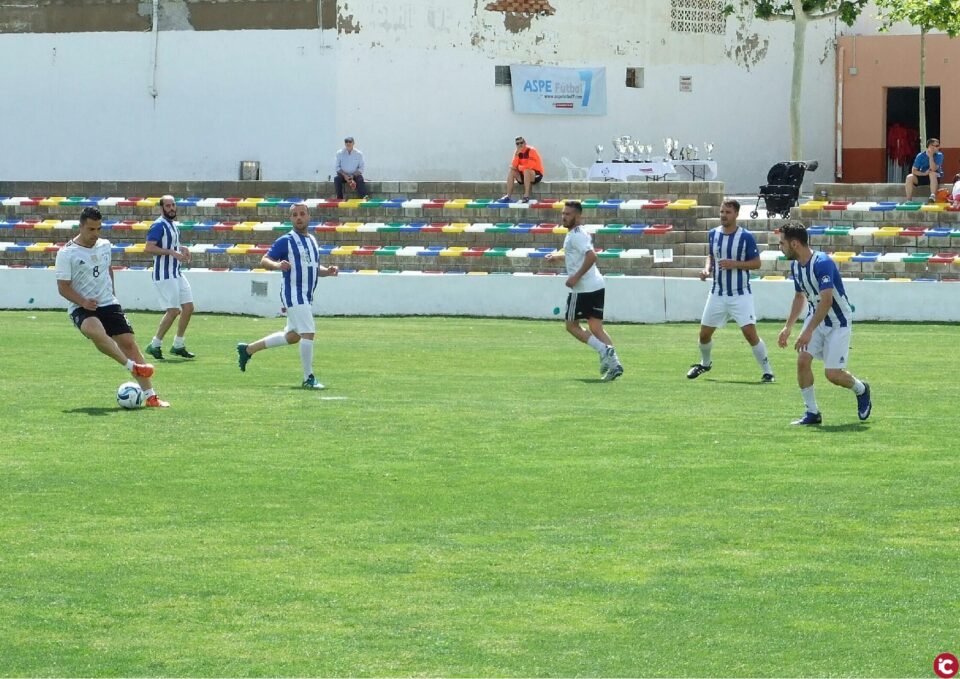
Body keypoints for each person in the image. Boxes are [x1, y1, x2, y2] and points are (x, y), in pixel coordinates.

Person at [55, 207, 169, 407]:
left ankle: (151, 397)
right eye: (91, 229)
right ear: (80, 226)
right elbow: (63, 288)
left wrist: (113, 295)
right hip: (82, 306)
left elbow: (108, 269)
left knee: (129, 343)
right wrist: (83, 301)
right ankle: (132, 367)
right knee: (95, 330)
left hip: (108, 302)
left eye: (98, 229)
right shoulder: (66, 253)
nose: (95, 234)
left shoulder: (105, 245)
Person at [777, 221, 871, 425]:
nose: (780, 247)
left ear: (794, 244)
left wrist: (807, 331)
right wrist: (788, 327)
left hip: (838, 320)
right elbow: (799, 297)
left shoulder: (822, 263)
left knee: (833, 374)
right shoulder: (795, 266)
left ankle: (861, 389)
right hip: (815, 316)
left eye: (781, 243)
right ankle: (812, 413)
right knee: (802, 361)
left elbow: (827, 301)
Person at [236, 202, 339, 389]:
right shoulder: (286, 240)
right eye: (294, 215)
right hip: (293, 293)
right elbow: (264, 260)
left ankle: (248, 349)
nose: (298, 217)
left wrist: (328, 271)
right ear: (290, 219)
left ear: (308, 217)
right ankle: (309, 378)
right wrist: (277, 265)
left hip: (306, 295)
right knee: (308, 332)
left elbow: (313, 268)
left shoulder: (312, 241)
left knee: (293, 336)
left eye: (302, 214)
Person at [686, 199, 774, 383]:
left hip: (740, 294)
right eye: (722, 212)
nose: (723, 215)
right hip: (717, 293)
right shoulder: (713, 234)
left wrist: (735, 264)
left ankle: (768, 372)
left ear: (736, 214)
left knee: (750, 334)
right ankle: (705, 363)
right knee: (704, 335)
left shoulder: (746, 237)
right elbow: (711, 256)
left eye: (728, 212)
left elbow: (756, 263)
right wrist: (707, 269)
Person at [544, 200, 623, 381]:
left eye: (568, 214)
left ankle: (604, 350)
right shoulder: (579, 233)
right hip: (597, 285)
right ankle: (614, 365)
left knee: (571, 326)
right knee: (596, 328)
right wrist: (558, 257)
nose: (564, 217)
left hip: (583, 289)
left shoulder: (576, 235)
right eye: (563, 213)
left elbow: (591, 256)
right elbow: (578, 254)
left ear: (578, 216)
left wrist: (575, 277)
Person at [143, 195, 196, 360]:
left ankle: (178, 344)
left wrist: (182, 248)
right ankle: (155, 344)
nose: (172, 208)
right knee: (173, 310)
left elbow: (171, 245)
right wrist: (171, 252)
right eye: (168, 206)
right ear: (162, 208)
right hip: (164, 274)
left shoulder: (173, 225)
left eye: (173, 205)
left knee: (188, 308)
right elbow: (149, 247)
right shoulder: (158, 225)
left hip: (176, 272)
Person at [498, 136, 544, 204]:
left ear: (525, 143)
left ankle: (526, 196)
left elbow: (530, 165)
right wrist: (517, 155)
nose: (520, 145)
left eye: (521, 143)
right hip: (524, 174)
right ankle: (508, 196)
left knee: (526, 170)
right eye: (517, 144)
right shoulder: (517, 152)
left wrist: (519, 167)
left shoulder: (531, 150)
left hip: (536, 174)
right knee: (512, 172)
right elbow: (513, 166)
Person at [905, 137, 943, 202]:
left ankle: (932, 196)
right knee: (909, 177)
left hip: (934, 177)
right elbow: (914, 170)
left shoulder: (939, 155)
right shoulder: (920, 156)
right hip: (923, 175)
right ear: (930, 146)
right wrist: (924, 173)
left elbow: (933, 169)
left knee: (932, 173)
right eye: (936, 146)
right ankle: (909, 200)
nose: (938, 147)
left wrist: (931, 157)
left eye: (938, 146)